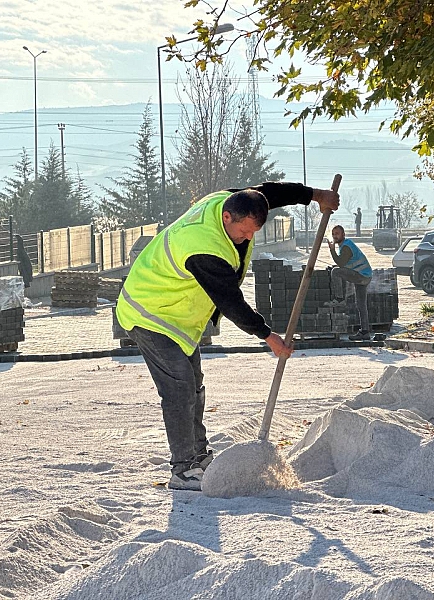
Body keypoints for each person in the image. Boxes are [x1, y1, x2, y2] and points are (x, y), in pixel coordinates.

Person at [116, 182, 339, 491]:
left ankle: (199, 457)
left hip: (177, 315)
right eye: (244, 232)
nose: (247, 238)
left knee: (193, 386)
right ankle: (183, 469)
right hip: (149, 311)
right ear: (227, 218)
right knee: (179, 387)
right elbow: (230, 301)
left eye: (252, 232)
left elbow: (271, 193)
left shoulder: (234, 202)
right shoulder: (203, 248)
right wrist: (267, 336)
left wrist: (316, 196)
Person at [326, 224, 372, 341]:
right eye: (333, 234)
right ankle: (365, 332)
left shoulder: (346, 246)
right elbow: (346, 264)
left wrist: (332, 250)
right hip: (365, 276)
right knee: (361, 305)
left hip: (360, 275)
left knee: (335, 272)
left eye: (337, 234)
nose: (335, 236)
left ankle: (339, 298)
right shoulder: (346, 245)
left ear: (343, 234)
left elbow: (341, 263)